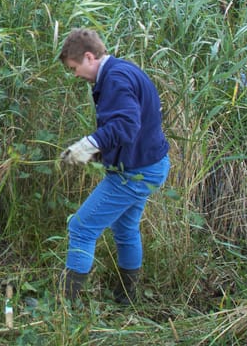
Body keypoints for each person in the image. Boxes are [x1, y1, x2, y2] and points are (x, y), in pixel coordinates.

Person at [57, 28, 171, 305]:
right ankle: (126, 298)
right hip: (150, 164)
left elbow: (126, 126)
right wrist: (99, 154)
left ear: (89, 56)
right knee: (126, 230)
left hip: (136, 171)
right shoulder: (122, 71)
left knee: (82, 228)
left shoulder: (116, 79)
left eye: (75, 68)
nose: (76, 75)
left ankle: (65, 305)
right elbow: (135, 124)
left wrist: (88, 144)